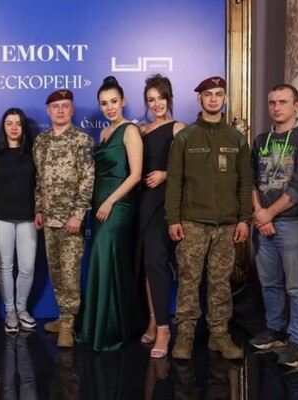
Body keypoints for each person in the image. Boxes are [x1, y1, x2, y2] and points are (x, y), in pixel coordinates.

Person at [165, 76, 252, 360]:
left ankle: (219, 334)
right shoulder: (185, 137)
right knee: (189, 280)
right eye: (208, 94)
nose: (213, 99)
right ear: (199, 99)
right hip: (192, 222)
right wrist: (173, 219)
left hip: (227, 225)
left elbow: (245, 183)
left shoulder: (236, 138)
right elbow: (174, 182)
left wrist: (244, 219)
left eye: (218, 94)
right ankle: (185, 336)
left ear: (225, 98)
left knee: (220, 281)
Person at [76, 76, 143, 351]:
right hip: (99, 203)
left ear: (123, 101)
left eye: (114, 101)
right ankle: (98, 327)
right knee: (102, 260)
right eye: (104, 103)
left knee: (107, 256)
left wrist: (110, 202)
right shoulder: (103, 133)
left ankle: (113, 330)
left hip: (118, 204)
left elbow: (136, 175)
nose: (109, 107)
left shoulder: (130, 131)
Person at [250, 84, 298, 368]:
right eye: (272, 102)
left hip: (293, 223)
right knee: (269, 282)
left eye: (283, 102)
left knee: (296, 286)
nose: (276, 107)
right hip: (263, 223)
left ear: (296, 105)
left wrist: (268, 214)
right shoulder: (261, 140)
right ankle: (275, 329)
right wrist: (260, 214)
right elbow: (250, 181)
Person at [33, 89, 95, 347]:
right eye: (55, 106)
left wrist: (78, 214)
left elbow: (88, 179)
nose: (60, 110)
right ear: (48, 111)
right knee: (56, 272)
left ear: (72, 110)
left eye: (65, 106)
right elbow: (39, 179)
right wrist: (39, 209)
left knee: (70, 274)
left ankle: (68, 325)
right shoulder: (41, 141)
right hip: (49, 219)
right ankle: (63, 316)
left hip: (71, 221)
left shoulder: (82, 140)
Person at [137, 74, 186, 358]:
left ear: (170, 99)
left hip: (165, 202)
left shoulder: (178, 128)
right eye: (151, 99)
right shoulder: (141, 131)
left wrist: (166, 174)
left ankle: (165, 329)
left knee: (157, 261)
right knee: (147, 264)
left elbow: (191, 166)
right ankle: (154, 320)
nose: (156, 104)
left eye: (161, 98)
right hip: (142, 201)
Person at [0, 107, 38, 334]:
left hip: (28, 217)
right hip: (1, 216)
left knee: (27, 267)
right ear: (3, 126)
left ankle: (22, 309)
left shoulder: (33, 152)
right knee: (5, 266)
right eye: (9, 123)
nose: (14, 127)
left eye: (18, 123)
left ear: (23, 127)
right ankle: (10, 311)